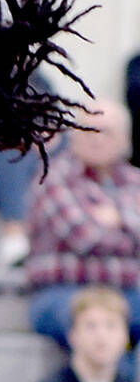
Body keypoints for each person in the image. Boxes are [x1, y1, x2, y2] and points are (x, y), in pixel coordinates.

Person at [25, 101, 140, 345]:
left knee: (113, 321)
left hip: (126, 292)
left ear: (124, 140)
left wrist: (116, 218)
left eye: (106, 132)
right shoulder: (53, 177)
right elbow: (86, 238)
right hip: (63, 292)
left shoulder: (135, 181)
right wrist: (130, 221)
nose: (97, 139)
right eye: (89, 130)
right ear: (74, 135)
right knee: (101, 325)